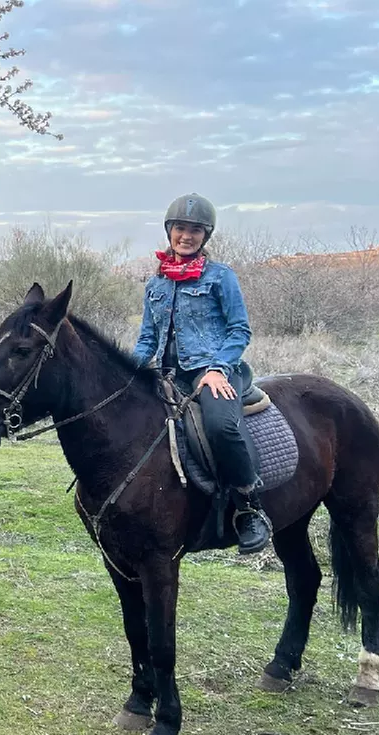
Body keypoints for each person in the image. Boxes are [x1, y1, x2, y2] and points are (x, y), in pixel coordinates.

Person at [131, 192, 271, 554]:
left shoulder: (221, 277)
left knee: (220, 425)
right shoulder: (156, 284)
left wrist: (216, 369)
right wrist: (129, 369)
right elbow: (148, 337)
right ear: (169, 231)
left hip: (216, 372)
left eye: (195, 230)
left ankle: (249, 507)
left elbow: (239, 330)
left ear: (205, 235)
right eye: (180, 228)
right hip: (168, 372)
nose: (186, 236)